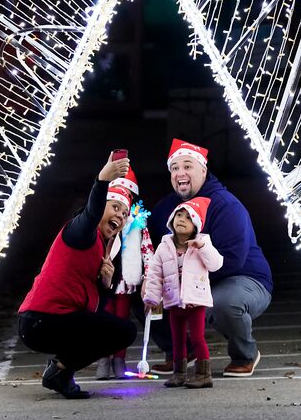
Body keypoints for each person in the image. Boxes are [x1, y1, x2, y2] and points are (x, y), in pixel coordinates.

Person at [144, 139, 273, 377]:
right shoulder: (164, 208)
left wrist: (189, 282)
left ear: (203, 170)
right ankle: (180, 352)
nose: (180, 173)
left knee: (224, 302)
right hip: (190, 279)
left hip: (241, 278)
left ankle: (245, 354)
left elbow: (233, 258)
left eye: (187, 166)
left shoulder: (225, 205)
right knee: (146, 291)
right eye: (174, 168)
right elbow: (150, 249)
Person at [17, 153, 138, 399]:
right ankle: (59, 371)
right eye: (115, 208)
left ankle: (61, 372)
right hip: (41, 321)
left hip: (58, 321)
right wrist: (103, 179)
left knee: (118, 329)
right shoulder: (82, 231)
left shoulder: (102, 249)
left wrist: (105, 285)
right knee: (123, 331)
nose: (120, 216)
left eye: (125, 214)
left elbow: (94, 313)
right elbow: (92, 213)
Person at [144, 197, 223, 388]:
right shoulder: (164, 247)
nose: (181, 219)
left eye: (188, 218)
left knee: (197, 338)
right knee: (177, 340)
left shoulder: (202, 243)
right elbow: (155, 273)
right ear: (171, 219)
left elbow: (216, 264)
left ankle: (204, 374)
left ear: (195, 225)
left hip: (195, 301)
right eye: (179, 215)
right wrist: (152, 297)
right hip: (173, 301)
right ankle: (179, 374)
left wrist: (202, 247)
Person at [95, 168, 154, 379]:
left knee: (121, 320)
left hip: (125, 283)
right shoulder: (99, 224)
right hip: (103, 282)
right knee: (103, 319)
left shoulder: (138, 225)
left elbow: (148, 251)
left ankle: (119, 358)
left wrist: (149, 277)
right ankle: (103, 358)